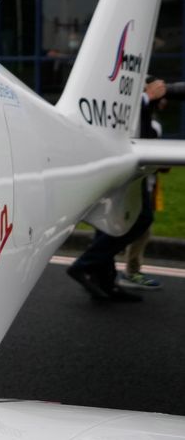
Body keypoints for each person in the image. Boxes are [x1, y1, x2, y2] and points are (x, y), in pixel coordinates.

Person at [66, 77, 183, 300]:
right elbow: (148, 144)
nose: (164, 97)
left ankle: (105, 283)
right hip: (130, 179)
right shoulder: (138, 112)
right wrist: (147, 100)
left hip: (110, 174)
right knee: (141, 219)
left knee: (107, 226)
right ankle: (85, 264)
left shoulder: (132, 111)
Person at [118, 77, 185, 289]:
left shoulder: (131, 120)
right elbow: (157, 161)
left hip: (131, 184)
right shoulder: (150, 124)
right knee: (142, 228)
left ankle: (101, 269)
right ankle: (130, 271)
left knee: (122, 228)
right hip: (139, 185)